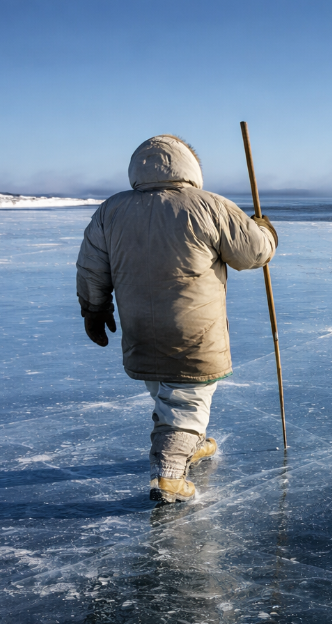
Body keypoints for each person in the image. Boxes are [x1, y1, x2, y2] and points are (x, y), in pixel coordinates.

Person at [76, 135, 278, 503]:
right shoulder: (210, 206)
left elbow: (91, 268)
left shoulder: (111, 210)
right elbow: (253, 254)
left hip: (140, 328)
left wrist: (94, 308)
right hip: (194, 330)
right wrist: (263, 229)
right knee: (186, 401)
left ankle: (191, 444)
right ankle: (168, 474)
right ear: (190, 167)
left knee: (166, 391)